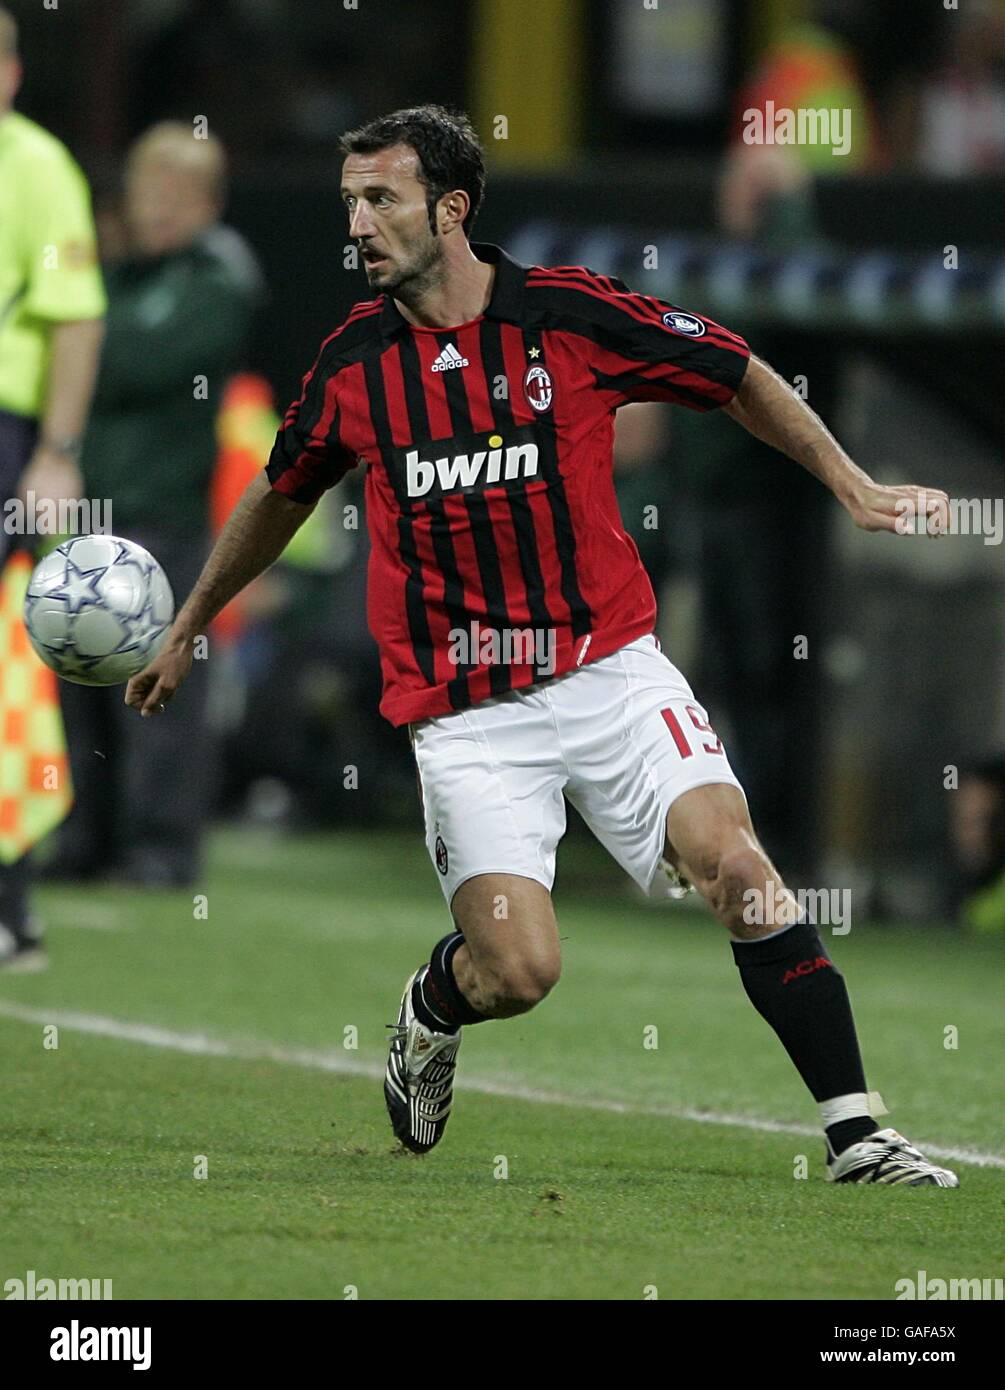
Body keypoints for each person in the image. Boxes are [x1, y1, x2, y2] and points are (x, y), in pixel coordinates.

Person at [127, 105, 957, 1186]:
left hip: (611, 670)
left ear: (452, 207)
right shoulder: (353, 367)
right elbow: (281, 495)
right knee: (520, 971)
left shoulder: (566, 315)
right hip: (468, 713)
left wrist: (855, 487)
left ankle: (859, 1132)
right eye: (349, 204)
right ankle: (434, 1002)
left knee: (743, 871)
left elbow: (738, 369)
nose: (359, 225)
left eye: (381, 200)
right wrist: (190, 621)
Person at [56, 122, 261, 888]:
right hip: (87, 515)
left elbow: (141, 361)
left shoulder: (215, 280)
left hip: (163, 517)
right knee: (78, 682)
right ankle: (82, 838)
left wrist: (83, 352)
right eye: (148, 188)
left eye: (177, 193)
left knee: (156, 690)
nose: (158, 207)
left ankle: (163, 849)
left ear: (210, 203)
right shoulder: (114, 280)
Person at [0, 4, 105, 967]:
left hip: (6, 434)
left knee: (10, 667)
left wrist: (56, 450)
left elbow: (74, 318)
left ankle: (12, 903)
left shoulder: (34, 168)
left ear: (11, 74)